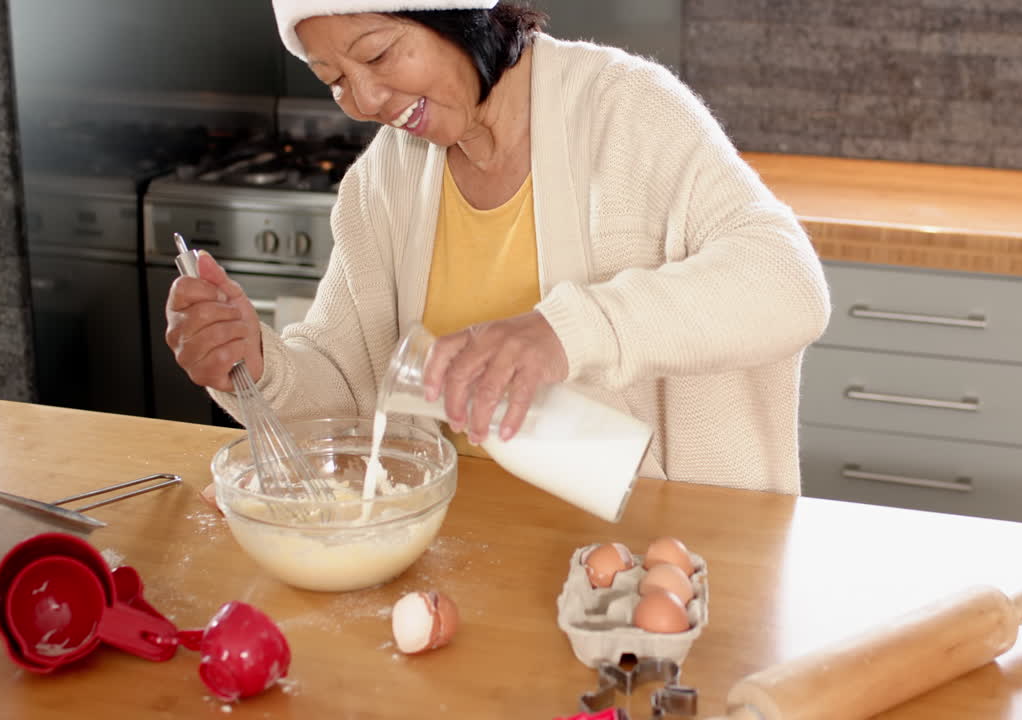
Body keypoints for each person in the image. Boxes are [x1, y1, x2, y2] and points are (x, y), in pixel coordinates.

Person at [165, 0, 831, 495]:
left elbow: (788, 282)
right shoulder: (386, 178)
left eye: (376, 55)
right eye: (332, 77)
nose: (362, 100)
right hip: (473, 561)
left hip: (668, 566)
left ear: (459, 13)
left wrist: (563, 332)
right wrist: (257, 364)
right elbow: (349, 389)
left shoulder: (627, 110)